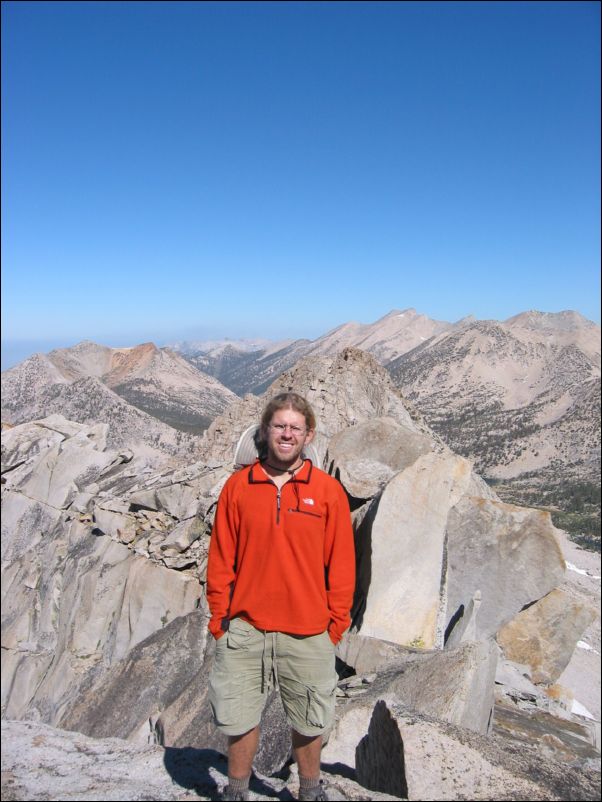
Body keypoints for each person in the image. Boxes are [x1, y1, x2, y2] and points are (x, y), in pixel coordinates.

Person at [207, 392, 355, 802]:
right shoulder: (239, 487)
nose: (286, 434)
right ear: (265, 431)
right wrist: (220, 619)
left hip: (308, 631)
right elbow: (221, 558)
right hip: (245, 627)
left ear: (308, 435)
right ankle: (236, 790)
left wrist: (335, 626)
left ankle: (309, 790)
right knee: (239, 716)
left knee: (309, 719)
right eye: (279, 426)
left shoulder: (327, 492)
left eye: (295, 427)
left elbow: (341, 565)